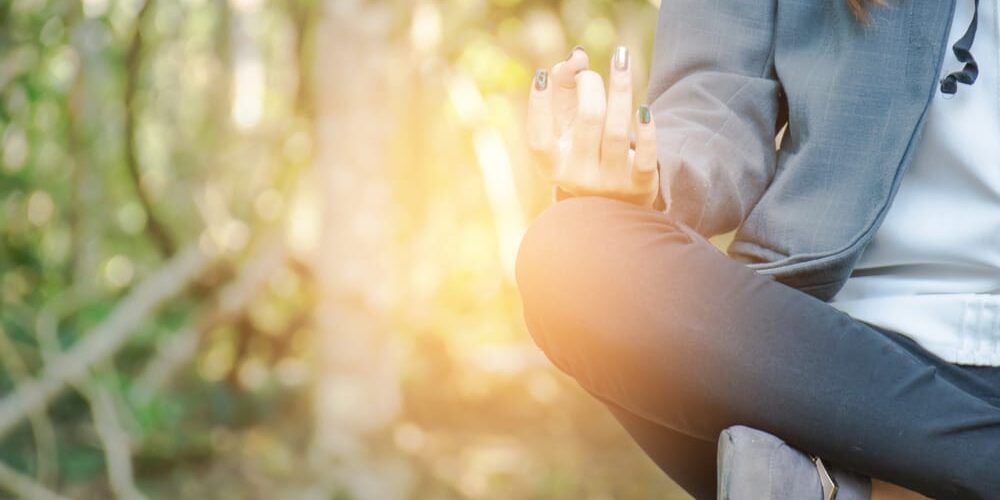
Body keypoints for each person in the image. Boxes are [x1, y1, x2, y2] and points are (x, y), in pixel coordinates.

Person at [516, 0, 1000, 498]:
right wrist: (647, 172)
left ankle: (867, 482)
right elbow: (713, 103)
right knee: (570, 261)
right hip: (820, 358)